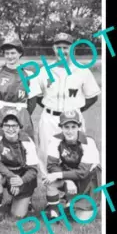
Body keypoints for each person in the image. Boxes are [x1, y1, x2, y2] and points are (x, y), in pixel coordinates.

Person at [35, 32, 101, 176]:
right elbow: (38, 97)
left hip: (73, 121)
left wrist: (75, 110)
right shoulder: (44, 70)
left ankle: (72, 193)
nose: (62, 51)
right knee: (46, 155)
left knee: (76, 155)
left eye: (66, 47)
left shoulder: (82, 70)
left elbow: (92, 97)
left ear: (72, 49)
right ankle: (52, 194)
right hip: (50, 119)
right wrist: (51, 108)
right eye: (58, 47)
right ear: (53, 48)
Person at [0, 35, 41, 145]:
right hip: (0, 115)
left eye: (13, 53)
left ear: (20, 53)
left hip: (21, 115)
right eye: (7, 53)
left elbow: (32, 102)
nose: (10, 56)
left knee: (22, 147)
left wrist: (24, 115)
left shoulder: (28, 75)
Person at [43, 110, 101, 222]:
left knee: (80, 218)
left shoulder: (88, 142)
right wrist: (68, 180)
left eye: (73, 127)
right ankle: (55, 209)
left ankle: (68, 202)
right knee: (50, 179)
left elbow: (83, 172)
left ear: (79, 127)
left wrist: (61, 175)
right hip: (70, 176)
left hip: (88, 181)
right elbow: (51, 166)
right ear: (61, 127)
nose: (70, 131)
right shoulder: (55, 140)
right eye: (66, 127)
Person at [0, 109, 40, 222]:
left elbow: (33, 170)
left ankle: (18, 201)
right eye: (7, 125)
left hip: (21, 176)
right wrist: (12, 177)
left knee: (17, 215)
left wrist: (21, 180)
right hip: (5, 173)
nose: (10, 129)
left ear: (19, 127)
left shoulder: (27, 141)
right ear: (2, 127)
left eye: (14, 125)